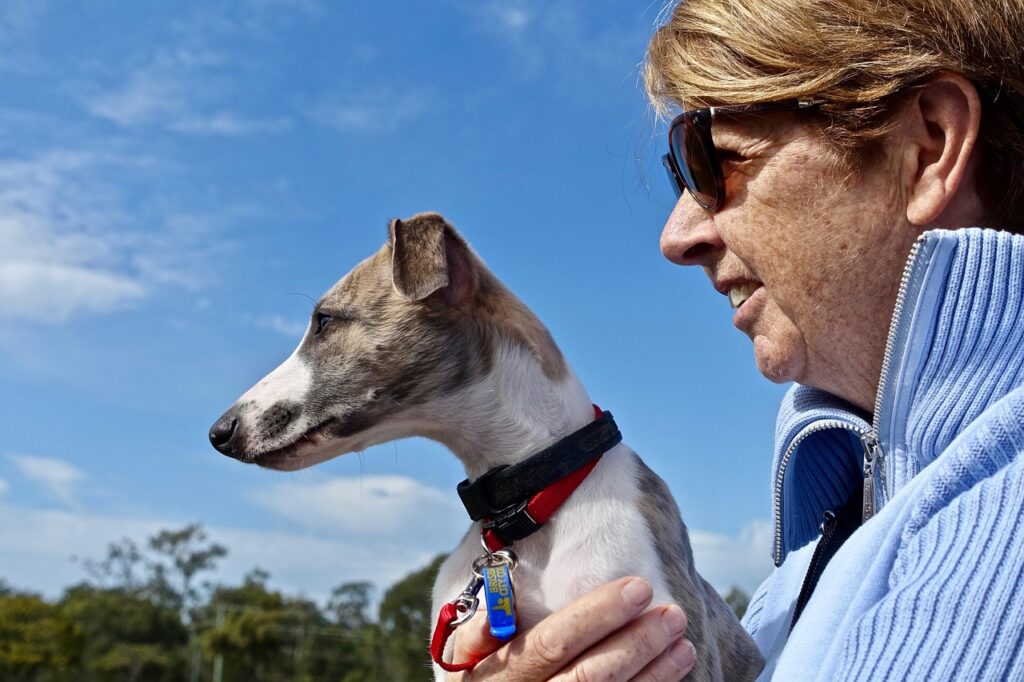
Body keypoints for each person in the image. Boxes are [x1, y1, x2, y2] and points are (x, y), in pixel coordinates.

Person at [446, 0, 1024, 678]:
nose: (677, 237)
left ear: (928, 145)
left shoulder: (996, 533)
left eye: (713, 162)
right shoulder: (807, 571)